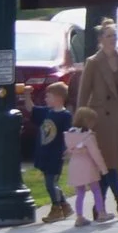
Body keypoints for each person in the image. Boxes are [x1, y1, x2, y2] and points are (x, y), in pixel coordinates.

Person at [77, 19, 118, 221]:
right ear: (101, 39)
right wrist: (80, 123)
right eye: (108, 36)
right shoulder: (93, 62)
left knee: (109, 165)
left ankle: (98, 207)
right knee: (107, 164)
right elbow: (84, 93)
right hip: (100, 121)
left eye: (114, 36)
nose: (112, 39)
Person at [35, 82, 74, 223]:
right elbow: (30, 109)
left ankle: (56, 209)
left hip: (56, 154)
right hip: (45, 153)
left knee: (51, 183)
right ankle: (65, 206)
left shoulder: (65, 116)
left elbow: (68, 134)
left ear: (59, 98)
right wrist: (26, 94)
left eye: (49, 96)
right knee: (50, 182)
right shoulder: (47, 112)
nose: (46, 99)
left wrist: (67, 149)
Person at [70, 108, 111, 225]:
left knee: (80, 192)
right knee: (96, 190)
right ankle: (101, 213)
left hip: (74, 166)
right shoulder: (88, 136)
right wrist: (103, 168)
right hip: (88, 166)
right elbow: (95, 154)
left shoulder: (70, 134)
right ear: (88, 121)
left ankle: (79, 216)